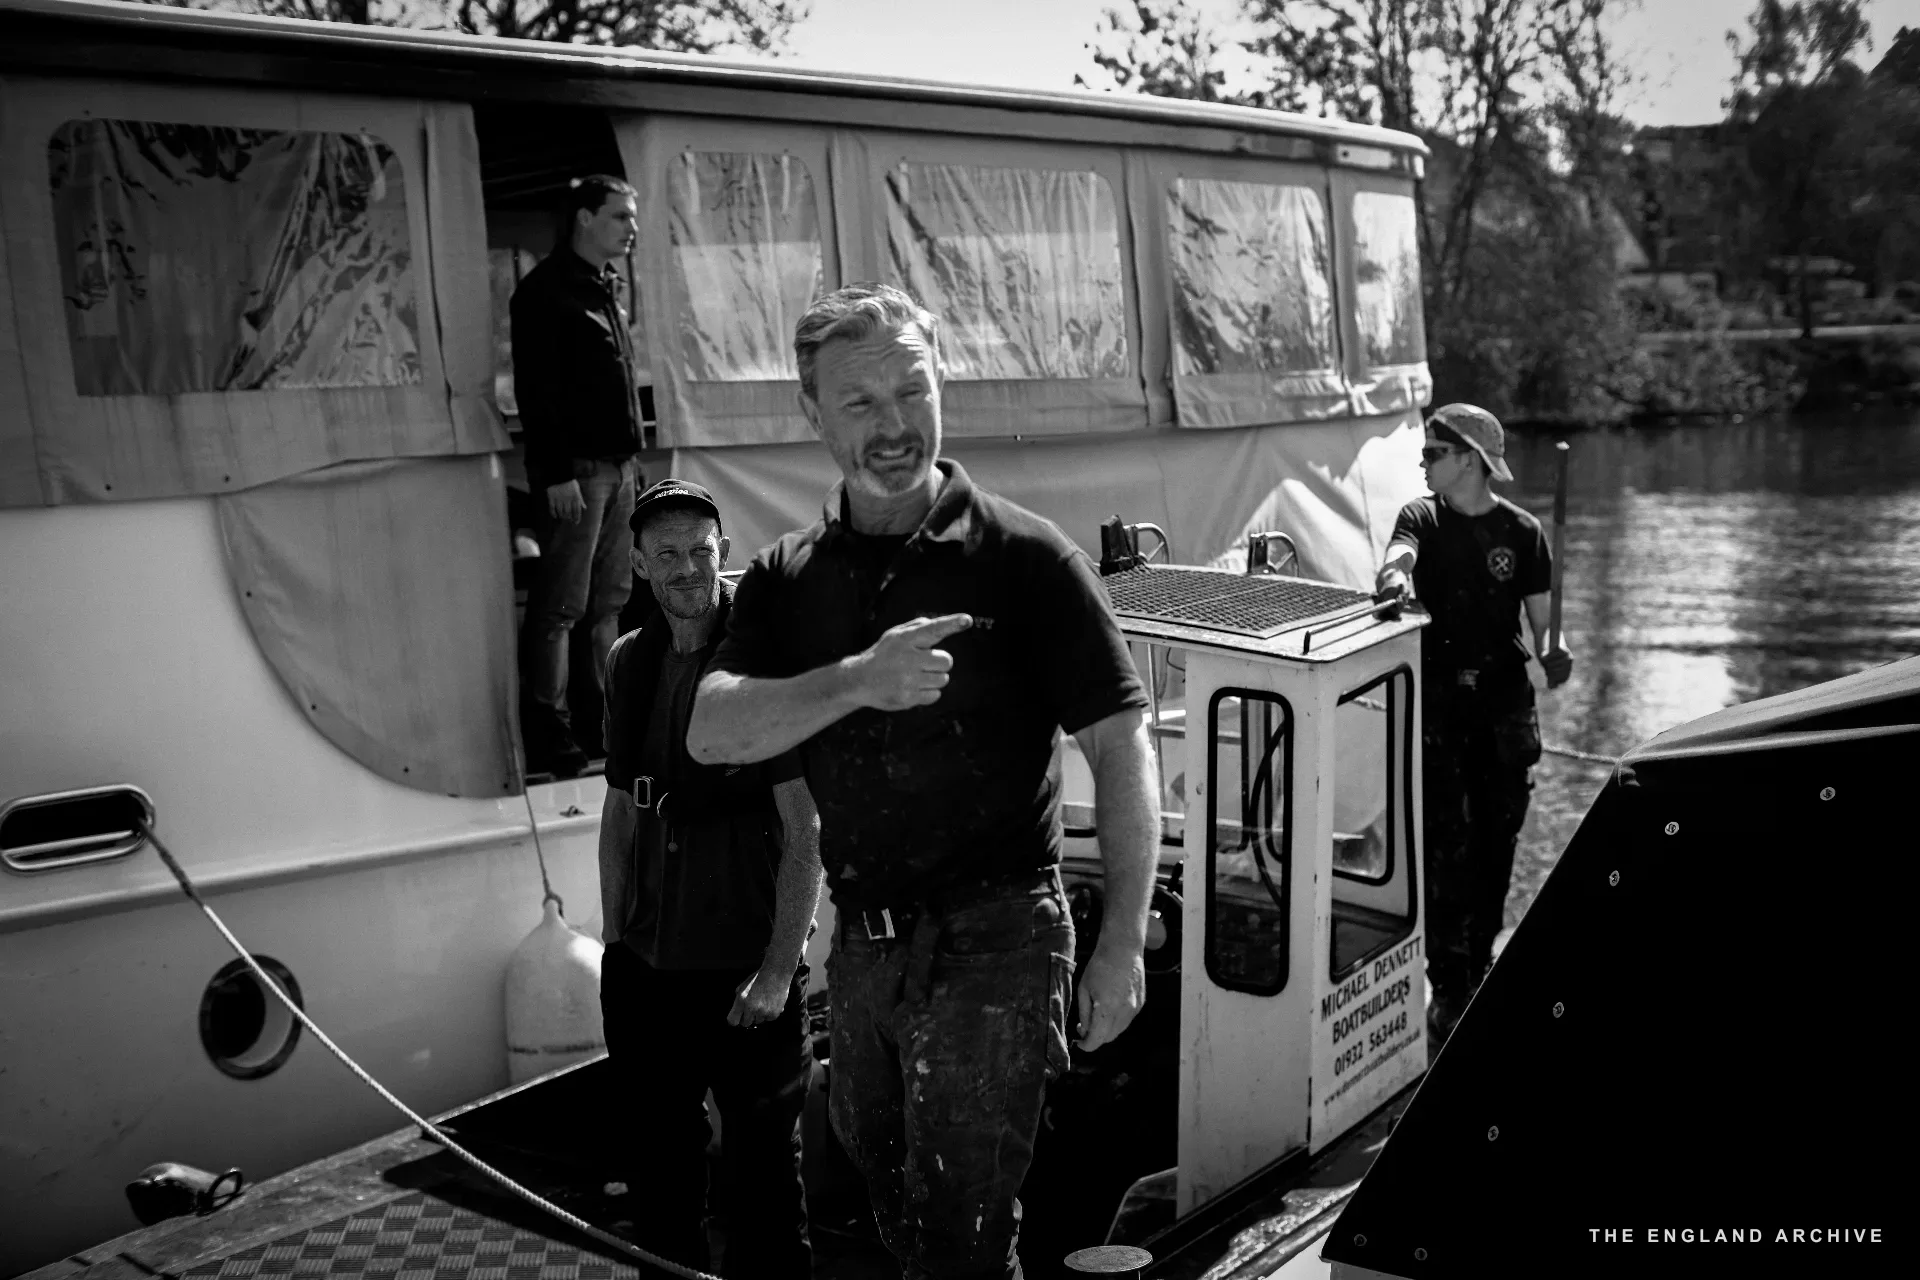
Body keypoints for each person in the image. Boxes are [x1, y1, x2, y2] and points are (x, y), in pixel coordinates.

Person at [685, 283, 1160, 1279]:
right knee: (872, 1189)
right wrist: (861, 679)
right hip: (864, 946)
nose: (894, 423)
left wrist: (1120, 943)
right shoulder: (787, 574)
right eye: (859, 403)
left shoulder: (1027, 558)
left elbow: (1122, 747)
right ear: (811, 414)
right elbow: (712, 730)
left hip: (1000, 937)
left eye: (912, 389)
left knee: (962, 1228)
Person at [598, 478, 824, 1277]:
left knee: (766, 1194)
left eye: (701, 549)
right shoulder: (629, 662)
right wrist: (615, 941)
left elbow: (805, 830)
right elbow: (621, 813)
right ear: (638, 564)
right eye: (667, 554)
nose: (688, 568)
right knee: (663, 1190)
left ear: (725, 552)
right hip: (649, 972)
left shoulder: (763, 664)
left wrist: (774, 973)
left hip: (746, 979)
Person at [1373, 403, 1574, 1047]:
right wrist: (1392, 577)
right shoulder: (1421, 517)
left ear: (1469, 460)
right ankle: (1450, 988)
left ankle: (1480, 964)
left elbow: (1547, 629)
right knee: (1443, 852)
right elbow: (1398, 558)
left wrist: (1556, 653)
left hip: (1504, 713)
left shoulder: (1522, 533)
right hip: (1440, 714)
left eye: (1434, 453)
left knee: (1497, 847)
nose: (1424, 463)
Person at [512, 173, 645, 777]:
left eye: (632, 217)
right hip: (579, 473)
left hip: (619, 468)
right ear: (584, 219)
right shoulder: (545, 292)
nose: (631, 228)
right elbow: (537, 392)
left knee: (611, 603)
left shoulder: (605, 286)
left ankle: (607, 728)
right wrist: (555, 473)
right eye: (620, 216)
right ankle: (551, 731)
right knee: (561, 605)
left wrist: (632, 469)